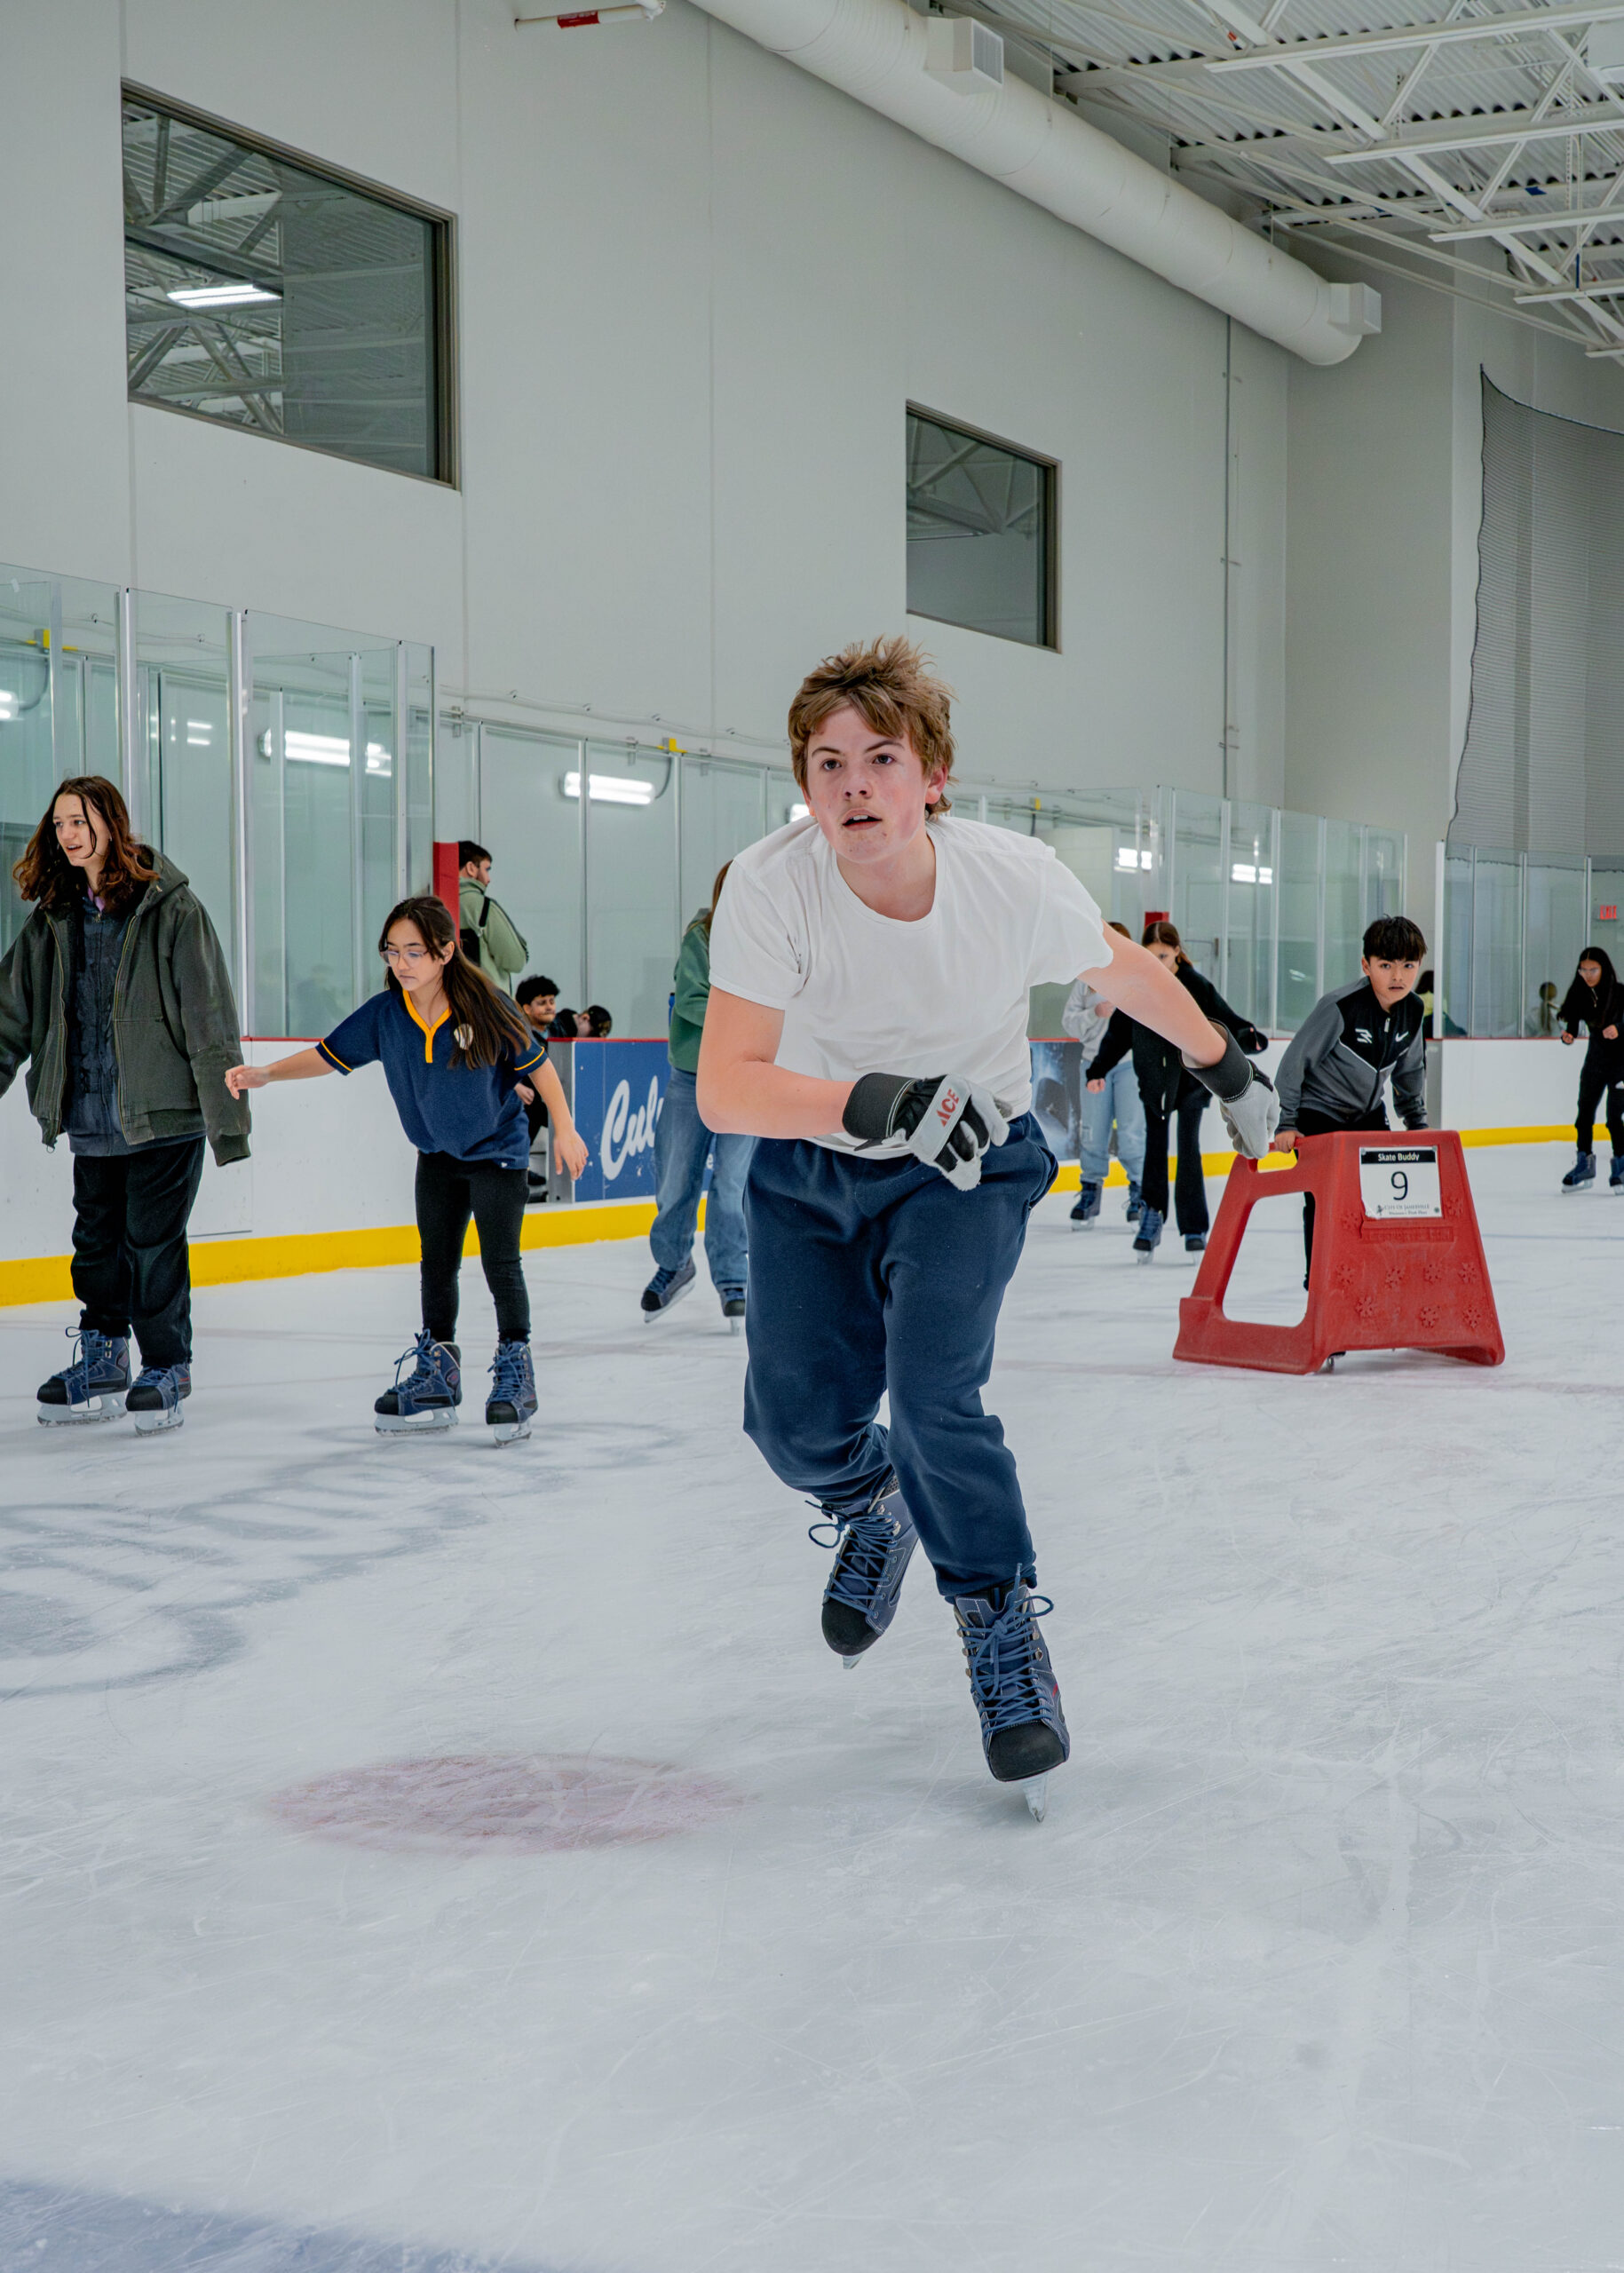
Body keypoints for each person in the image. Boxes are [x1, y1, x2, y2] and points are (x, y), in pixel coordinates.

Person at [697, 638, 1278, 1815]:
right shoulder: (768, 884)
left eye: (880, 758)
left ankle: (997, 1622)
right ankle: (874, 1500)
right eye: (826, 764)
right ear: (803, 785)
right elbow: (726, 1086)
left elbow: (1123, 972)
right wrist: (875, 1103)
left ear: (933, 777)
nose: (853, 785)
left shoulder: (1010, 878)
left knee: (934, 1401)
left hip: (965, 1169)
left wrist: (1223, 1066)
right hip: (815, 1167)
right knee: (792, 1428)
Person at [226, 894, 587, 1441]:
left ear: (445, 951)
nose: (401, 963)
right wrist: (267, 1074)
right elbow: (328, 1054)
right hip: (436, 1155)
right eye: (392, 951)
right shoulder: (387, 1015)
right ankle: (438, 1371)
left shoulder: (487, 1004)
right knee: (436, 1264)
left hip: (497, 1151)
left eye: (414, 951)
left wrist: (565, 1127)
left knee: (500, 1263)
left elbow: (538, 1067)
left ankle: (517, 1371)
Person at [0, 774, 248, 1433]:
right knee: (95, 1245)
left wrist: (227, 1122)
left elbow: (209, 1016)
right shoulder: (53, 918)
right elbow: (8, 1016)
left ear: (110, 822)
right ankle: (105, 1355)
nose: (68, 834)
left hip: (163, 1115)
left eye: (79, 821)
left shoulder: (170, 908)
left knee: (151, 1244)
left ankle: (166, 1365)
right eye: (59, 824)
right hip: (90, 1114)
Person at [1084, 919, 1265, 1261]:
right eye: (1151, 956)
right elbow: (1118, 1034)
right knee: (1155, 1150)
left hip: (1192, 1083)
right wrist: (1098, 1070)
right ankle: (1151, 1217)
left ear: (1178, 953)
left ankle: (1194, 1226)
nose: (1158, 964)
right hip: (1154, 1083)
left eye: (1164, 957)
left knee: (1188, 1149)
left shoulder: (1195, 986)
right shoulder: (1137, 986)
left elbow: (1225, 1022)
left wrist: (1249, 1037)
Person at [1271, 914, 1429, 1273]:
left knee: (1381, 1197)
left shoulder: (1414, 1010)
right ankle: (1319, 1279)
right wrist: (1286, 1122)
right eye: (1386, 965)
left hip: (1367, 1113)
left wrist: (1417, 1122)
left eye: (1408, 965)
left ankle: (1370, 1274)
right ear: (1366, 965)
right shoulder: (1339, 1007)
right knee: (1324, 1199)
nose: (1398, 976)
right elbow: (1294, 1063)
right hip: (1319, 1113)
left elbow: (1410, 1071)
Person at [642, 861, 755, 1330]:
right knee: (674, 1182)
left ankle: (733, 1279)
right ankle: (674, 1264)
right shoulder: (701, 938)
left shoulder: (768, 939)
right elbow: (690, 1000)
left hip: (746, 1080)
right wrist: (752, 1021)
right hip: (692, 1077)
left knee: (731, 1188)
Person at [1060, 920, 1145, 1228]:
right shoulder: (1087, 980)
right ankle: (1090, 1190)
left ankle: (1139, 1192)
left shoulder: (1137, 979)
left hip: (1128, 1066)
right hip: (1093, 1065)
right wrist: (1094, 1013)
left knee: (1132, 1133)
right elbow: (1069, 1022)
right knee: (1093, 1132)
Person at [1556, 945, 1624, 1192]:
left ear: (1603, 969)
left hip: (1621, 1063)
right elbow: (1573, 1024)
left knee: (1614, 1118)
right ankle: (1584, 1162)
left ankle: (1621, 1164)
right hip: (1595, 1062)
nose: (1588, 975)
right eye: (1583, 970)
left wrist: (1619, 1029)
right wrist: (1569, 1035)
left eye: (1593, 970)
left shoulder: (1620, 993)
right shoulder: (1580, 994)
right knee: (1584, 1113)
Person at [457, 841, 527, 997]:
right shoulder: (483, 907)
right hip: (487, 1001)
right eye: (486, 869)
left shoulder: (432, 903)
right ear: (471, 868)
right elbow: (515, 960)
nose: (488, 879)